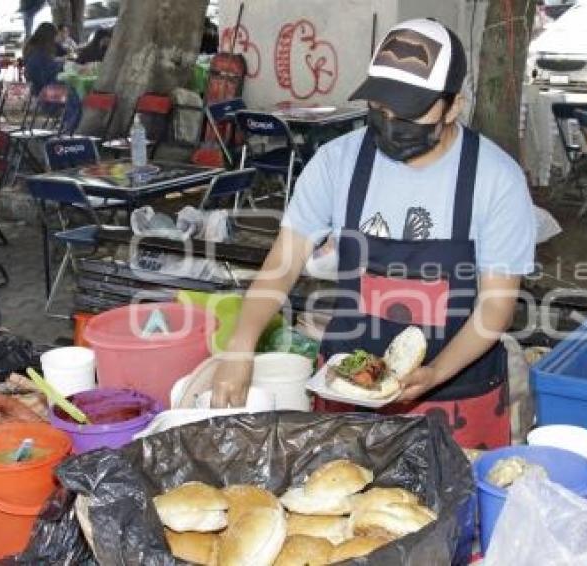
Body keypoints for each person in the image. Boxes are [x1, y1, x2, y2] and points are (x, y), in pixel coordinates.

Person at [210, 18, 536, 449]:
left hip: (457, 394)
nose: (391, 123)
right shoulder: (336, 162)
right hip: (346, 389)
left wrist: (435, 373)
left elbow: (495, 311)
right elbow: (280, 268)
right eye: (380, 110)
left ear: (454, 105)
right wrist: (240, 344)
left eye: (409, 112)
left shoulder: (496, 179)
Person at [23, 22, 81, 132]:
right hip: (45, 93)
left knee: (71, 93)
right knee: (73, 94)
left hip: (37, 91)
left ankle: (68, 125)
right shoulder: (40, 54)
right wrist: (60, 65)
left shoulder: (32, 50)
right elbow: (46, 76)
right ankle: (70, 128)